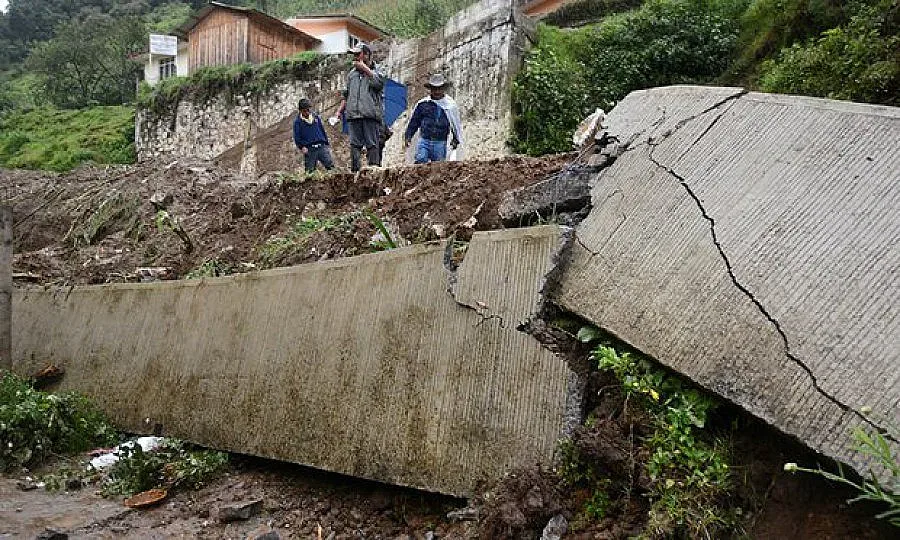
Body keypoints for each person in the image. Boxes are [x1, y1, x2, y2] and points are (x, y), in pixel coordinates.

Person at [337, 43, 385, 172]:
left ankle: (374, 172)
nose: (355, 57)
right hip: (353, 116)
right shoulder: (351, 75)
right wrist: (339, 111)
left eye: (358, 54)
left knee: (372, 145)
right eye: (354, 55)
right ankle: (355, 173)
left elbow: (379, 84)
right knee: (354, 145)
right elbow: (346, 94)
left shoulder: (377, 71)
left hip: (369, 115)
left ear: (367, 55)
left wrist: (366, 69)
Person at [403, 73, 463, 164]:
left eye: (439, 88)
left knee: (438, 167)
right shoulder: (423, 104)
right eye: (434, 89)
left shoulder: (450, 105)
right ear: (431, 89)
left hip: (440, 142)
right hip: (425, 139)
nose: (437, 91)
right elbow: (414, 121)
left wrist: (455, 139)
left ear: (443, 89)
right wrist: (408, 136)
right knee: (421, 160)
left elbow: (455, 125)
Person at [293, 98, 334, 173]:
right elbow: (297, 137)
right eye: (305, 111)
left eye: (308, 110)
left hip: (321, 146)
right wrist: (302, 147)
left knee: (331, 166)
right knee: (310, 171)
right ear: (300, 111)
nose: (307, 112)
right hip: (309, 149)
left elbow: (322, 130)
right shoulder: (298, 122)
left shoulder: (315, 117)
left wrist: (326, 143)